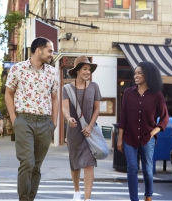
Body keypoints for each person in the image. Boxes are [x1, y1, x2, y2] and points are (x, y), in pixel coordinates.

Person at [5, 37, 59, 201]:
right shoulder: (18, 69)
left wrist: (54, 122)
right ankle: (23, 198)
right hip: (24, 120)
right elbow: (8, 93)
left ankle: (30, 198)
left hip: (45, 122)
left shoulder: (52, 72)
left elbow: (55, 97)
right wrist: (14, 118)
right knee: (27, 162)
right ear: (39, 50)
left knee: (36, 166)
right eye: (49, 50)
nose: (52, 54)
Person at [117, 61, 169, 201]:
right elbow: (123, 118)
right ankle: (134, 199)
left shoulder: (157, 95)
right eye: (135, 73)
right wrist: (120, 138)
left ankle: (148, 195)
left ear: (148, 74)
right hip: (129, 137)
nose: (136, 75)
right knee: (132, 168)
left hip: (148, 138)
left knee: (147, 169)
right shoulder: (128, 93)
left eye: (140, 73)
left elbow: (164, 118)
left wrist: (152, 133)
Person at [62, 56, 101, 201]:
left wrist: (90, 126)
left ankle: (87, 198)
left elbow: (97, 109)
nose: (87, 72)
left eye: (89, 70)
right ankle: (77, 191)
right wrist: (68, 118)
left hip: (89, 132)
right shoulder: (67, 88)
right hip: (73, 132)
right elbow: (65, 108)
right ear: (77, 71)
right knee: (75, 164)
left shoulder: (94, 86)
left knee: (89, 164)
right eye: (85, 69)